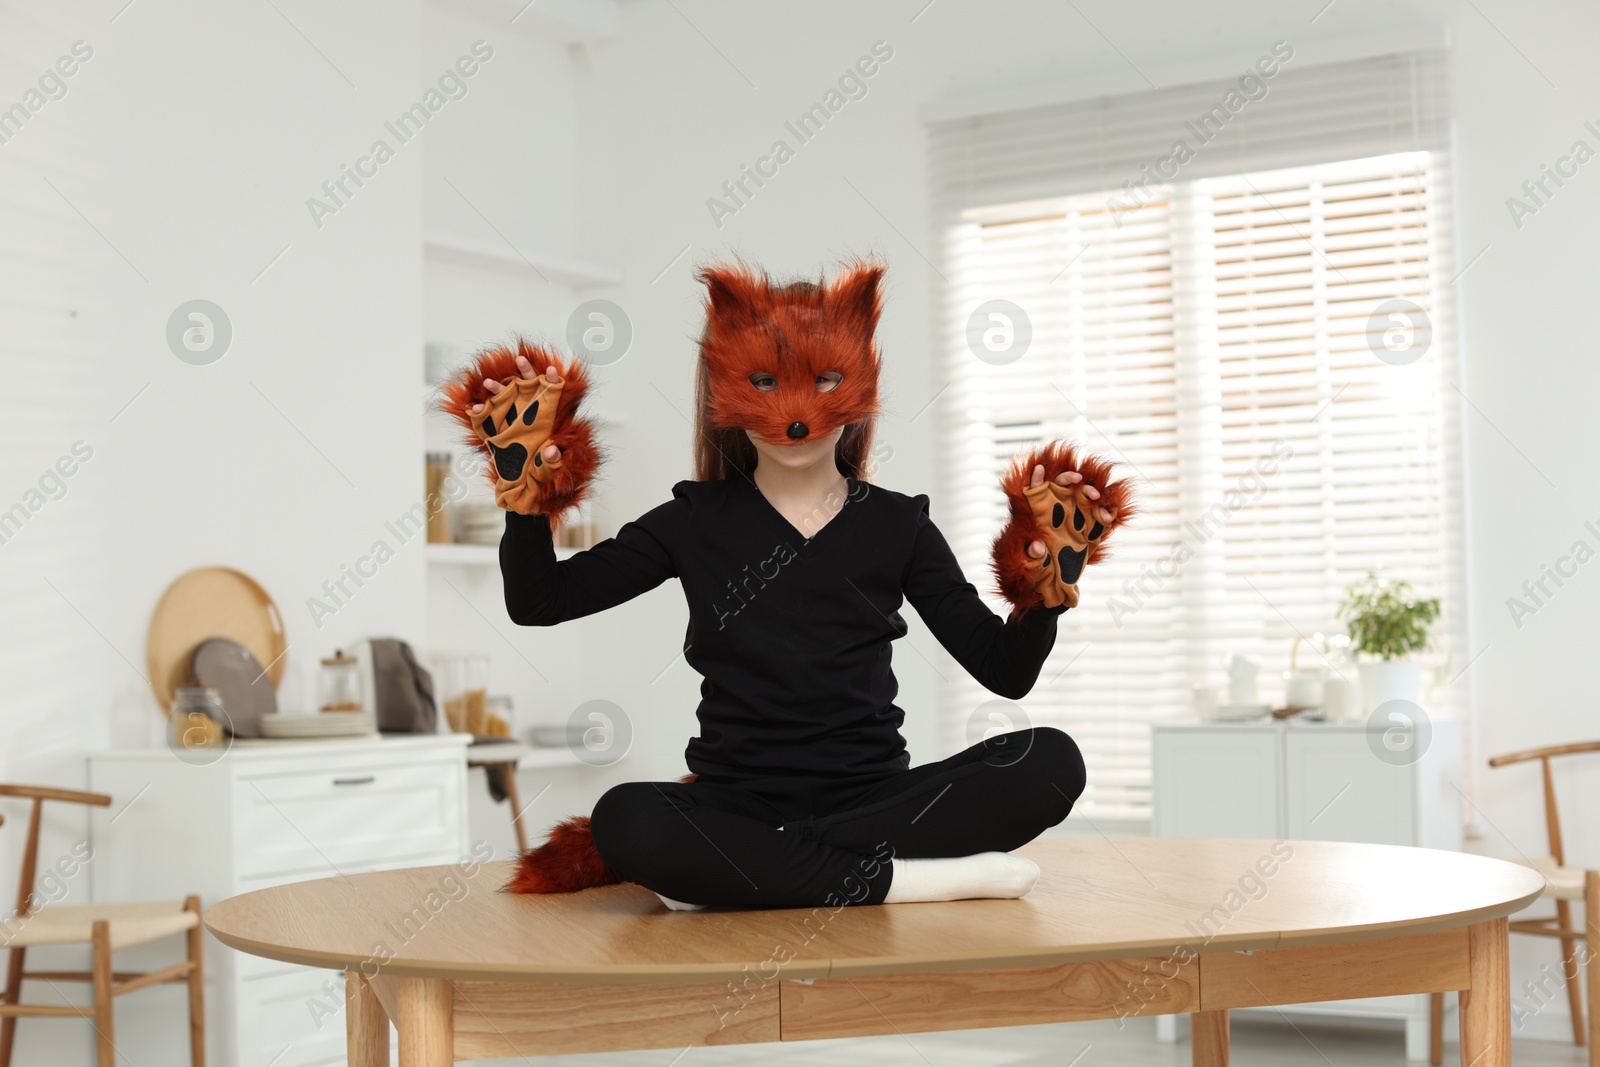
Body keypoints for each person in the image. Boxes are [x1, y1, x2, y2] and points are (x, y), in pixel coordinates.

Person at [441, 260, 1131, 909]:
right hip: (736, 803)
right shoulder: (694, 520)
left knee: (1051, 761)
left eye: (824, 381)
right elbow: (540, 601)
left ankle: (747, 873)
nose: (796, 414)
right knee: (627, 817)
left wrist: (1042, 587)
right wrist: (527, 501)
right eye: (767, 383)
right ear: (726, 388)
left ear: (859, 383)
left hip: (876, 800)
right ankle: (902, 881)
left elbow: (1005, 671)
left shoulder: (899, 526)